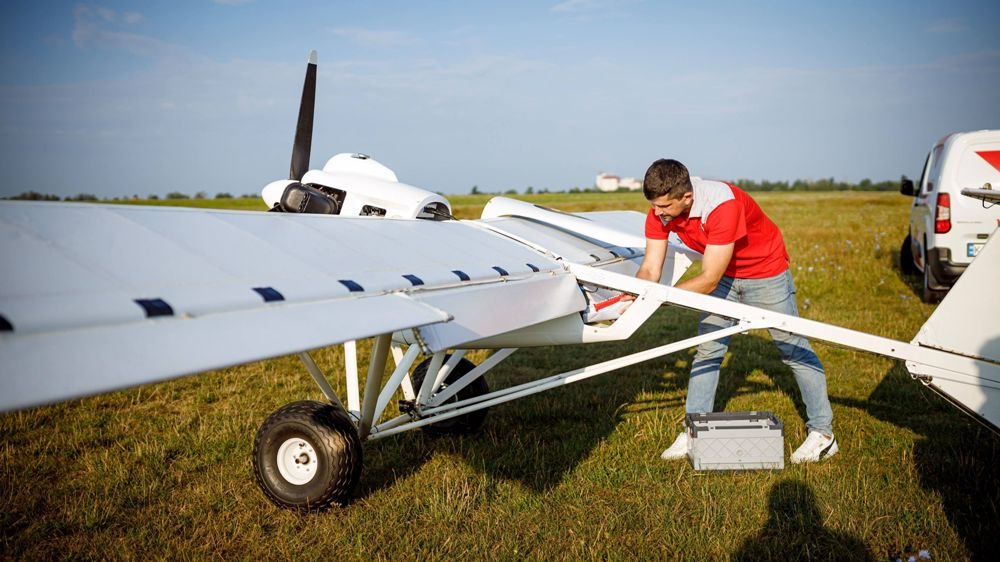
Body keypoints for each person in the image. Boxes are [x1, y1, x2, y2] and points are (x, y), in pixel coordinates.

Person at [634, 158, 837, 464]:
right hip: (726, 276)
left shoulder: (721, 205)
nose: (657, 214)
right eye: (654, 206)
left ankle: (823, 434)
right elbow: (650, 268)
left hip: (765, 273)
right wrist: (638, 293)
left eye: (664, 207)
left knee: (792, 348)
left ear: (686, 198)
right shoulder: (659, 213)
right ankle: (693, 432)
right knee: (707, 351)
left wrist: (661, 298)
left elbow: (708, 278)